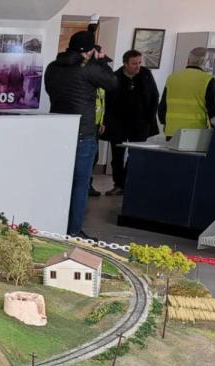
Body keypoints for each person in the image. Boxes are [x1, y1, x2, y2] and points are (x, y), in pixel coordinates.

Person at [44, 30, 117, 238]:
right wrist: (101, 62)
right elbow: (112, 83)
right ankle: (74, 230)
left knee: (58, 181)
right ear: (87, 51)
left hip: (57, 130)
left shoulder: (53, 67)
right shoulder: (88, 69)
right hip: (82, 133)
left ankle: (53, 225)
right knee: (79, 184)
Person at [101, 49, 159, 194]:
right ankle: (119, 184)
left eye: (139, 62)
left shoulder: (146, 75)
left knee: (136, 154)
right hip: (118, 123)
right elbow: (107, 102)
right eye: (134, 63)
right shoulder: (115, 77)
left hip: (140, 123)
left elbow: (154, 96)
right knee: (117, 156)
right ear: (125, 64)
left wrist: (149, 119)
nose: (138, 66)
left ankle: (128, 183)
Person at [159, 47, 215, 139]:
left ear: (188, 60)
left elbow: (162, 106)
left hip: (171, 131)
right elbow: (213, 110)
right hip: (196, 133)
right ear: (205, 62)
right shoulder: (207, 80)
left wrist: (165, 122)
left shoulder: (172, 78)